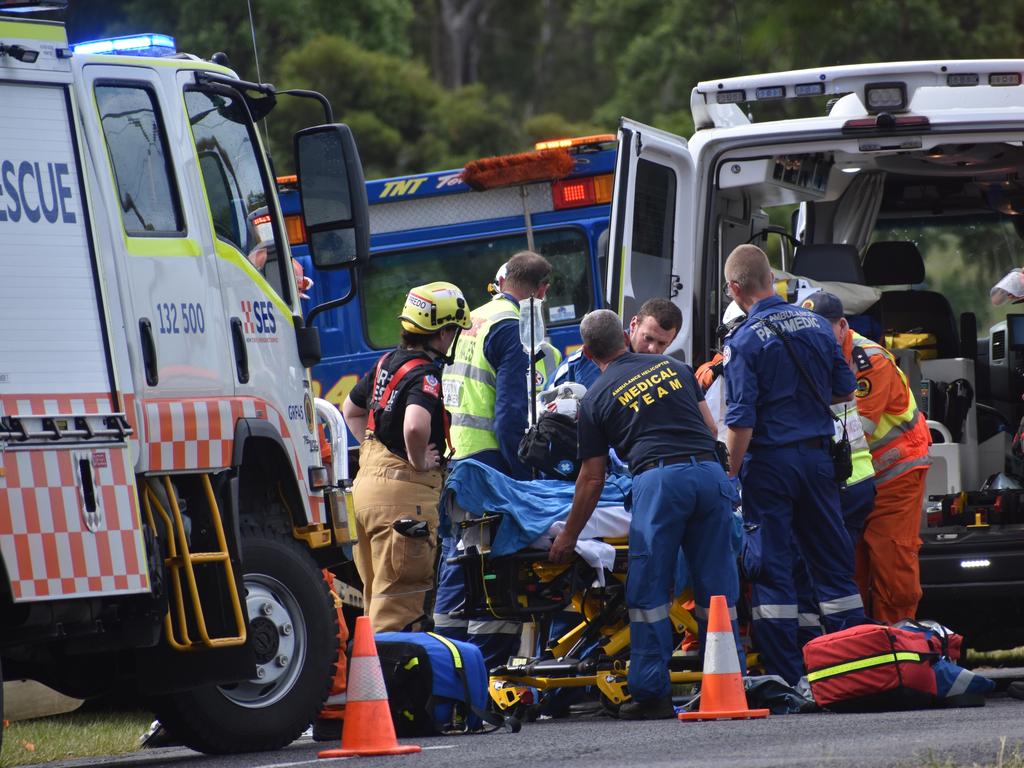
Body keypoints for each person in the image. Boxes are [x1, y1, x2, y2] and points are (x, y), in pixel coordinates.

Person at [549, 309, 740, 720]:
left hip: (660, 480)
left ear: (587, 350)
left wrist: (569, 535)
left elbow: (591, 479)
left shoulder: (596, 396)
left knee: (649, 591)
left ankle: (651, 694)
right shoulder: (675, 367)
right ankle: (727, 681)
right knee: (718, 587)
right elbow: (710, 430)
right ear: (624, 334)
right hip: (709, 474)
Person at [722, 245, 865, 686]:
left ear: (735, 289)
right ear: (771, 279)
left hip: (770, 467)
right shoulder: (819, 327)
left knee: (773, 566)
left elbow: (741, 421)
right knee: (832, 562)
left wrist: (728, 475)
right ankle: (855, 665)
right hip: (818, 461)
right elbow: (845, 390)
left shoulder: (743, 341)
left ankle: (788, 677)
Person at [436, 251, 552, 667]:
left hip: (459, 461)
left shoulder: (473, 320)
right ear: (541, 292)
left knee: (458, 565)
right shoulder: (514, 330)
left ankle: (444, 670)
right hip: (492, 465)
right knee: (492, 570)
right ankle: (484, 671)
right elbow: (510, 419)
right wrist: (524, 479)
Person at [341, 281, 471, 632]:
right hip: (403, 501)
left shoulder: (386, 363)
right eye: (455, 330)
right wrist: (417, 460)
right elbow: (415, 427)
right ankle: (397, 686)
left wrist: (376, 448)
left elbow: (350, 409)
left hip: (366, 490)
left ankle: (374, 682)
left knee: (376, 600)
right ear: (444, 333)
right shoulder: (426, 375)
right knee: (401, 610)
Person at [802, 290, 931, 624]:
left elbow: (857, 429)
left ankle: (899, 643)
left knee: (892, 559)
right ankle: (861, 647)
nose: (815, 338)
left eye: (822, 330)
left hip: (894, 473)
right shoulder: (819, 353)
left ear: (842, 326)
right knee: (850, 566)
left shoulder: (868, 360)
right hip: (854, 477)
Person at [549, 298, 683, 390]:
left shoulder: (670, 369)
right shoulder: (599, 356)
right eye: (648, 338)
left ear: (672, 340)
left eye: (662, 343)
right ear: (633, 325)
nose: (653, 349)